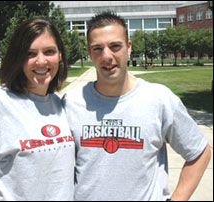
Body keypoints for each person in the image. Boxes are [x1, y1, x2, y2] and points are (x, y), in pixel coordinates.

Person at [62, 11, 211, 201]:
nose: (107, 56)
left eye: (115, 46)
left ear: (129, 47)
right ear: (90, 52)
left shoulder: (159, 99)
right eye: (98, 48)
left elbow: (200, 152)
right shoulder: (72, 102)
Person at [0, 18, 75, 201]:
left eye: (49, 52)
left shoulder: (59, 105)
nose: (41, 61)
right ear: (17, 57)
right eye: (30, 53)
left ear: (60, 56)